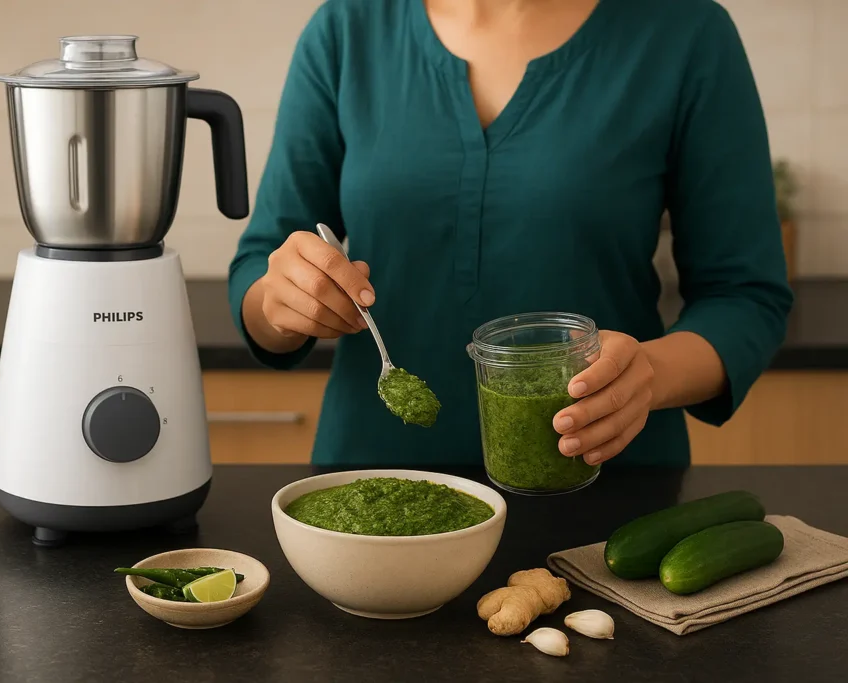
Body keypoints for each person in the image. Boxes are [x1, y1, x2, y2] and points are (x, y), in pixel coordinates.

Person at [227, 0, 794, 469]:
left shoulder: (685, 33)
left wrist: (649, 376)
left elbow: (745, 298)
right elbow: (262, 263)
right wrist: (282, 302)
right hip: (371, 487)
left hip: (605, 489)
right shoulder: (346, 31)